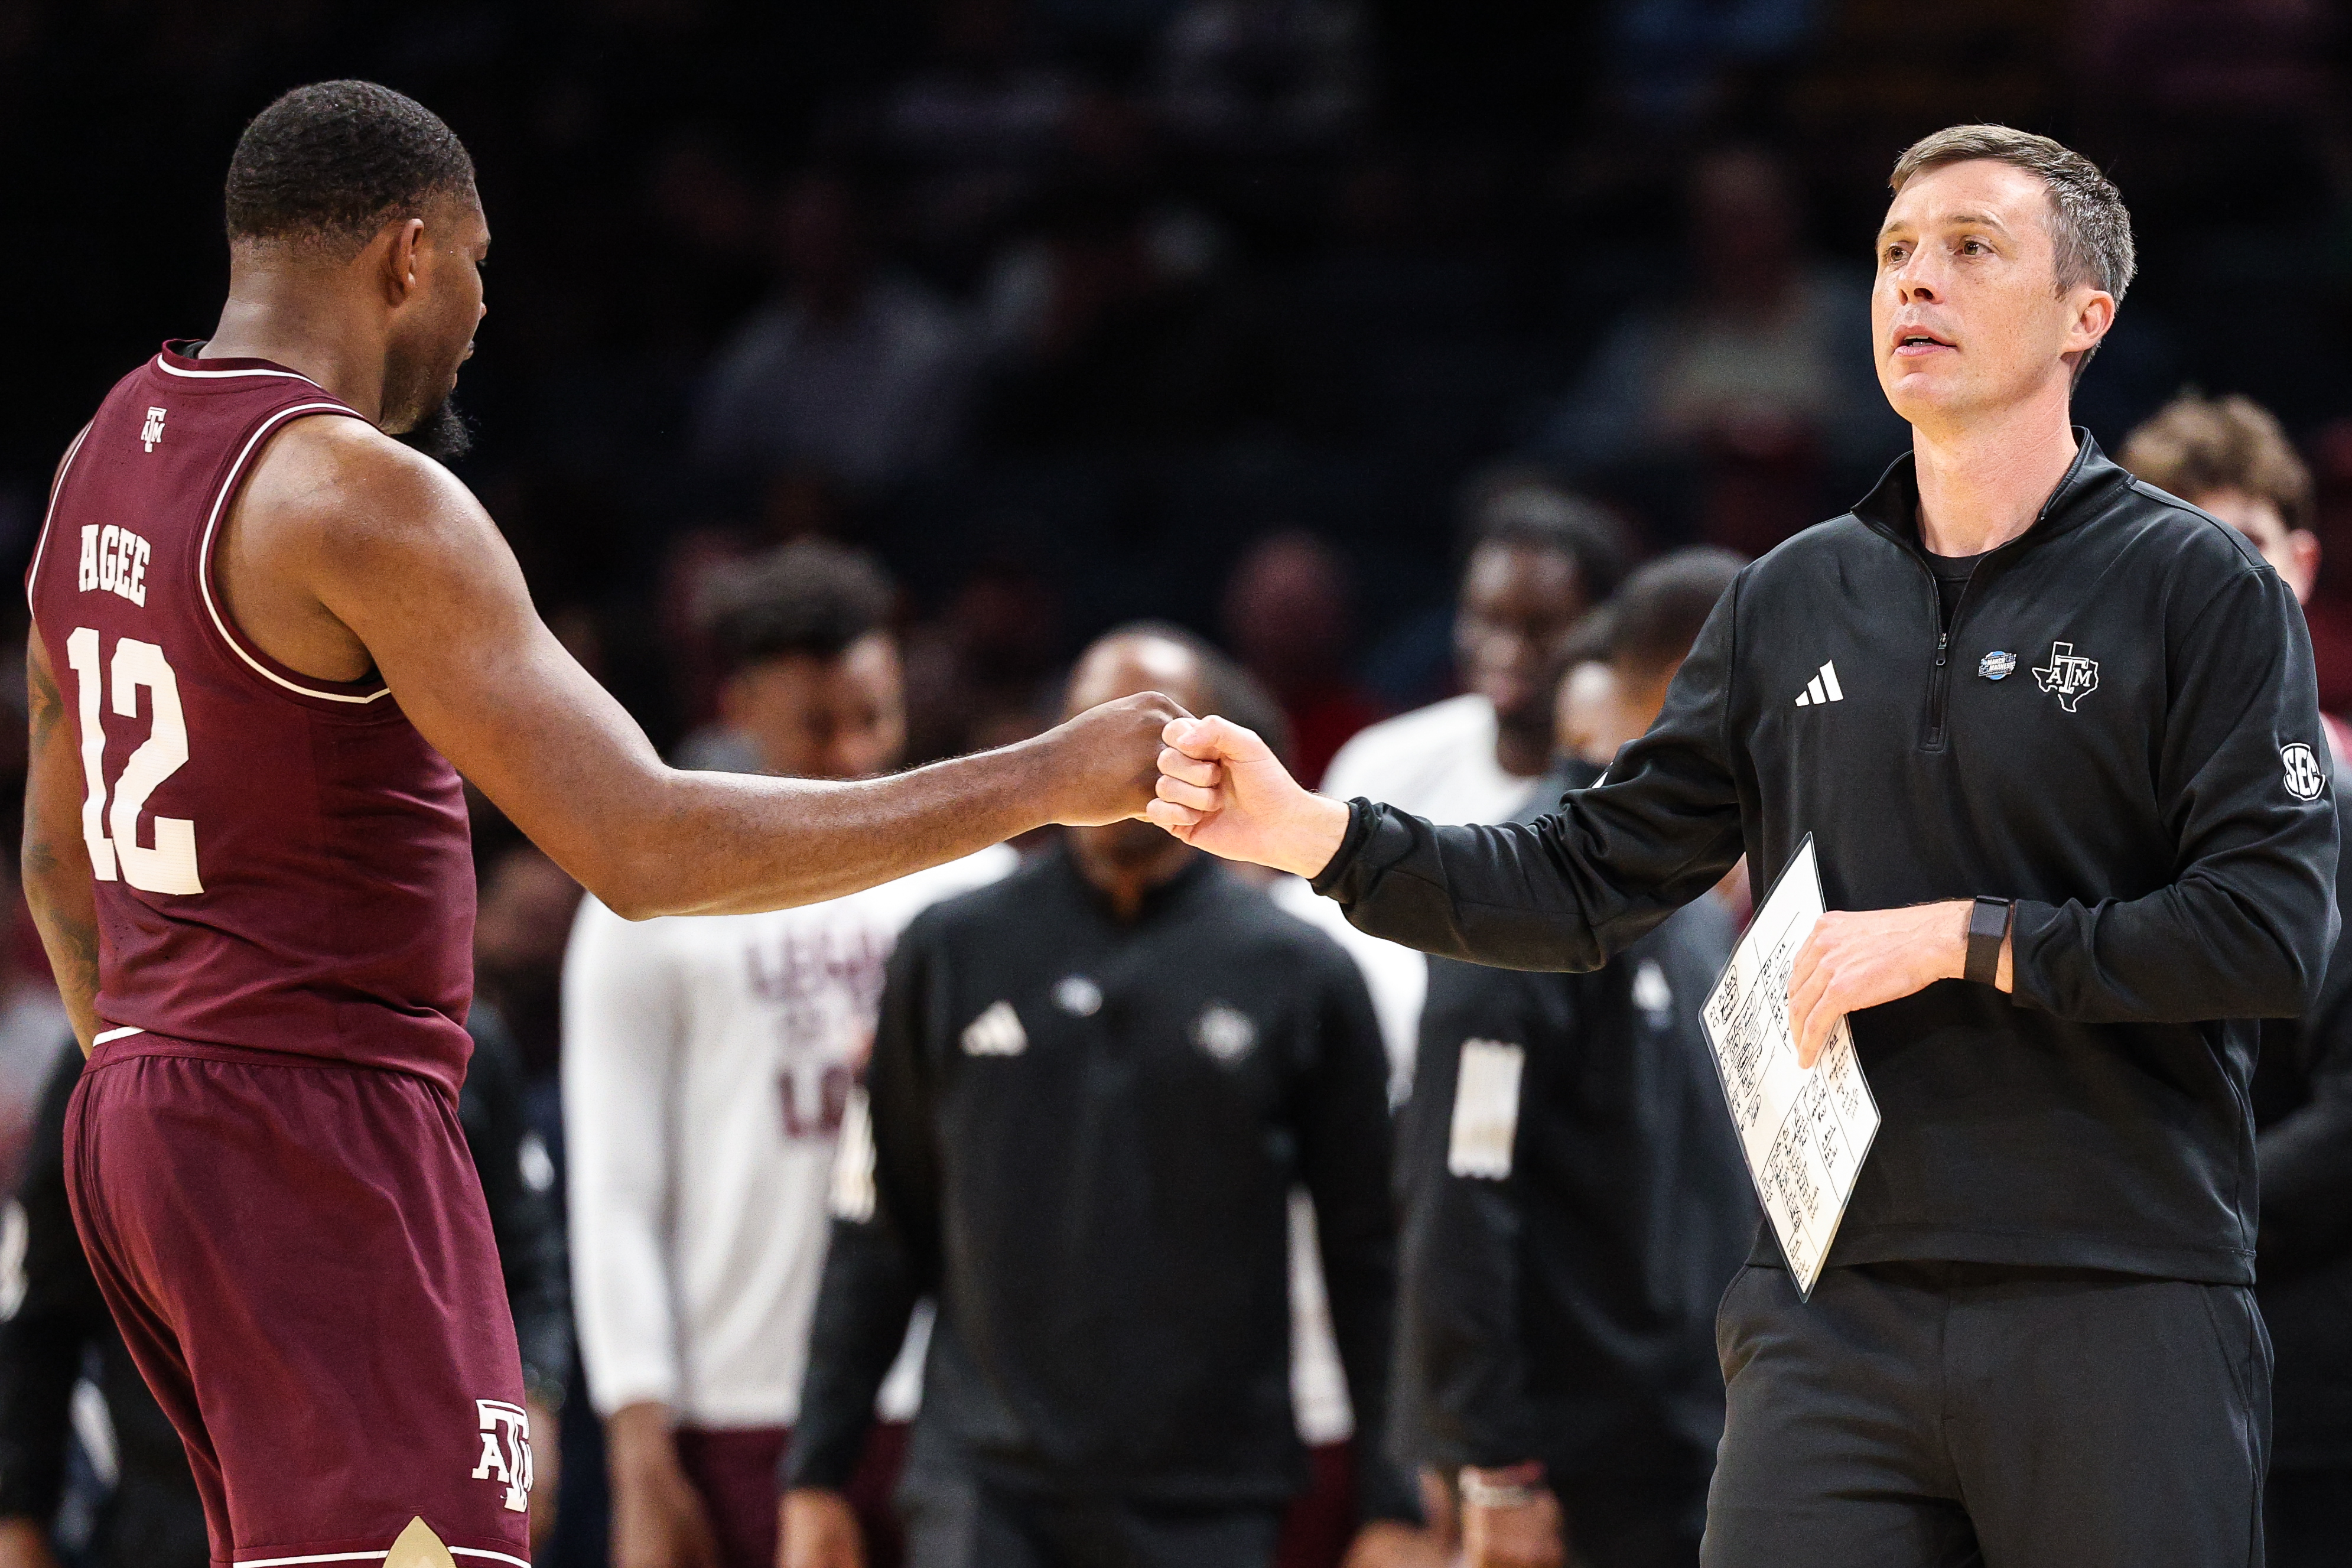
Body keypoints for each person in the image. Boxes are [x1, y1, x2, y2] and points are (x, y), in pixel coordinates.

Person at [19, 80, 1177, 1568]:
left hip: (147, 1104)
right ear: (409, 254)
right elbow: (641, 844)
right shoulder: (362, 496)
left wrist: (159, 1081)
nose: (485, 307)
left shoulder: (98, 454)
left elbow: (57, 863)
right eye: (482, 264)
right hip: (314, 1115)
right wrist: (1040, 778)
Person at [1152, 125, 2338, 1567]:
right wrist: (1310, 832)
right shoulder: (1791, 598)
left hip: (2115, 1289)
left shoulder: (2201, 590)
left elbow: (2268, 936)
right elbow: (1583, 878)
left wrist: (1955, 936)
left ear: (2083, 317)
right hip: (1826, 1306)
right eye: (1897, 251)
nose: (1916, 281)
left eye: (1971, 248)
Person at [781, 627, 1432, 1568]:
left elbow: (1369, 1253)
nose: (1130, 766)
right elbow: (881, 1230)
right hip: (983, 1486)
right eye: (1100, 732)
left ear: (1211, 756)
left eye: (1163, 740)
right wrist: (816, 1473)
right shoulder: (949, 948)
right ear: (1058, 745)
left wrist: (1394, 1495)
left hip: (1214, 1492)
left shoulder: (1300, 972)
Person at [563, 542, 1013, 1568]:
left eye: (877, 717)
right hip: (741, 1394)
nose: (855, 753)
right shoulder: (654, 899)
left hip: (953, 1391)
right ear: (742, 707)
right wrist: (639, 1436)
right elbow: (617, 1192)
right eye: (818, 724)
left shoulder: (975, 886)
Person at [1394, 549, 1751, 1568]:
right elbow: (1458, 1193)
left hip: (1690, 1437)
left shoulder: (1687, 899)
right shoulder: (1517, 893)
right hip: (1569, 1468)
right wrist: (1493, 1462)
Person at [0, 1003, 570, 1568]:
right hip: (177, 1508)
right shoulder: (120, 1057)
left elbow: (527, 1260)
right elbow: (37, 1314)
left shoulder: (458, 1038)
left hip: (404, 1499)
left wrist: (536, 1398)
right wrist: (18, 1519)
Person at [2117, 393, 2352, 1567]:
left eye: (2244, 552)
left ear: (2299, 565)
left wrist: (2166, 1228)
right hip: (2114, 1378)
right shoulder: (2082, 822)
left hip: (2309, 1376)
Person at [1321, 484, 1626, 822]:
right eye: (1489, 619)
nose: (1507, 652)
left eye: (1540, 628)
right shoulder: (1382, 764)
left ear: (1602, 627)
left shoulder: (1635, 793)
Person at [2119, 391, 2349, 759]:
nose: (2224, 577)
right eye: (2188, 548)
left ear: (2303, 566)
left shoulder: (2347, 768)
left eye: (2249, 544)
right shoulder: (2078, 775)